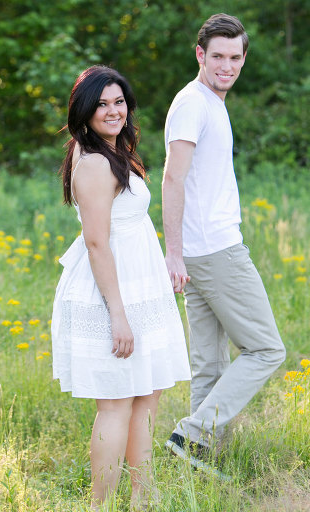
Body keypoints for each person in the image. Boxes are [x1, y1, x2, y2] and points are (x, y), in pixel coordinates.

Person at [50, 66, 190, 509]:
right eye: (101, 104)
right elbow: (96, 244)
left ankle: (143, 501)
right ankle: (100, 506)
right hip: (112, 295)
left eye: (118, 101)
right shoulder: (91, 162)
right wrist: (118, 314)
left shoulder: (114, 150)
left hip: (140, 285)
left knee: (146, 400)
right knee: (114, 405)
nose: (112, 111)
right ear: (84, 111)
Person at [162, 13, 285, 468]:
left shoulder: (210, 102)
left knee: (210, 365)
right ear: (200, 55)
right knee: (267, 349)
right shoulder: (194, 103)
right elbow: (173, 178)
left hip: (201, 249)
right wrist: (173, 252)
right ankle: (191, 432)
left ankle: (200, 458)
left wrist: (181, 252)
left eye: (235, 57)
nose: (227, 66)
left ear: (244, 58)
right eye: (218, 56)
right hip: (213, 249)